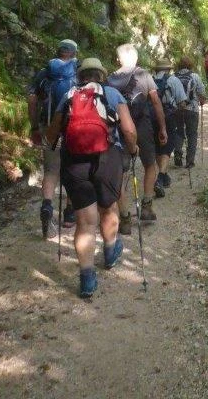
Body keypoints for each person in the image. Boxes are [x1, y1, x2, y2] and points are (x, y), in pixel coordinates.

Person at [45, 57, 138, 299]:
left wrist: (56, 143)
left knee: (85, 221)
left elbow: (52, 134)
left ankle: (86, 279)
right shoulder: (112, 94)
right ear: (101, 75)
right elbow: (128, 130)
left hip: (75, 162)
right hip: (107, 158)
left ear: (80, 76)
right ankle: (110, 252)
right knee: (109, 208)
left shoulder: (68, 95)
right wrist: (133, 149)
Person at [108, 44, 168, 227]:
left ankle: (125, 216)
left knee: (119, 173)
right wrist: (162, 128)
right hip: (143, 126)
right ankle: (147, 206)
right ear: (136, 58)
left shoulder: (109, 80)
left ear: (118, 59)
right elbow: (156, 103)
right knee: (150, 165)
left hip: (119, 129)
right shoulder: (145, 75)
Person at [28, 38, 78, 239]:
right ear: (74, 53)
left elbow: (32, 100)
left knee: (51, 170)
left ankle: (47, 207)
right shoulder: (79, 71)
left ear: (58, 52)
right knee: (73, 168)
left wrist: (34, 127)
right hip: (74, 129)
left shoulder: (44, 73)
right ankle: (69, 214)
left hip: (50, 129)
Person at [151, 57, 186, 194]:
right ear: (168, 69)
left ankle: (164, 176)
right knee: (167, 145)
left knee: (158, 145)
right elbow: (181, 101)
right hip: (169, 116)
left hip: (152, 117)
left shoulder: (150, 80)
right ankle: (160, 178)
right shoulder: (173, 80)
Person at [173, 56, 207, 168]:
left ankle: (177, 151)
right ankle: (189, 161)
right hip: (192, 110)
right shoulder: (195, 76)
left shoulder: (174, 77)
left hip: (177, 109)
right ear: (190, 65)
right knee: (192, 134)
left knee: (178, 132)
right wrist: (202, 100)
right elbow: (201, 93)